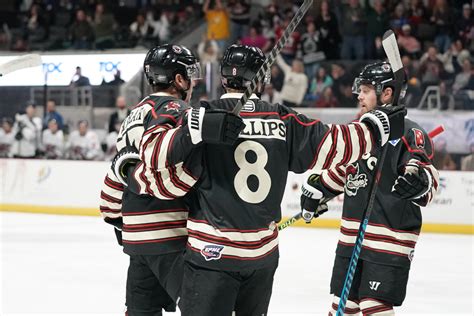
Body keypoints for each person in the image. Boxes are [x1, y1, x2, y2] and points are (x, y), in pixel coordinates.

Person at [131, 44, 407, 315]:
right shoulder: (282, 119)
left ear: (225, 78)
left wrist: (190, 131)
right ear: (262, 79)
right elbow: (334, 144)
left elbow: (155, 161)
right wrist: (376, 126)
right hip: (262, 259)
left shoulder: (202, 116)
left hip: (211, 256)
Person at [300, 61, 440, 315]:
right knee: (342, 307)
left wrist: (420, 183)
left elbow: (427, 176)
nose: (359, 95)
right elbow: (347, 170)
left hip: (389, 238)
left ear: (386, 93)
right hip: (352, 238)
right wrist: (320, 189)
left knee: (373, 306)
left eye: (365, 90)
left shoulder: (411, 133)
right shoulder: (363, 132)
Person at [99, 44, 201, 315]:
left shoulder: (133, 114)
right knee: (202, 309)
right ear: (178, 79)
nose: (192, 82)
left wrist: (115, 216)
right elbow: (175, 167)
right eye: (188, 74)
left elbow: (117, 172)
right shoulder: (176, 109)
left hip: (137, 238)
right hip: (171, 233)